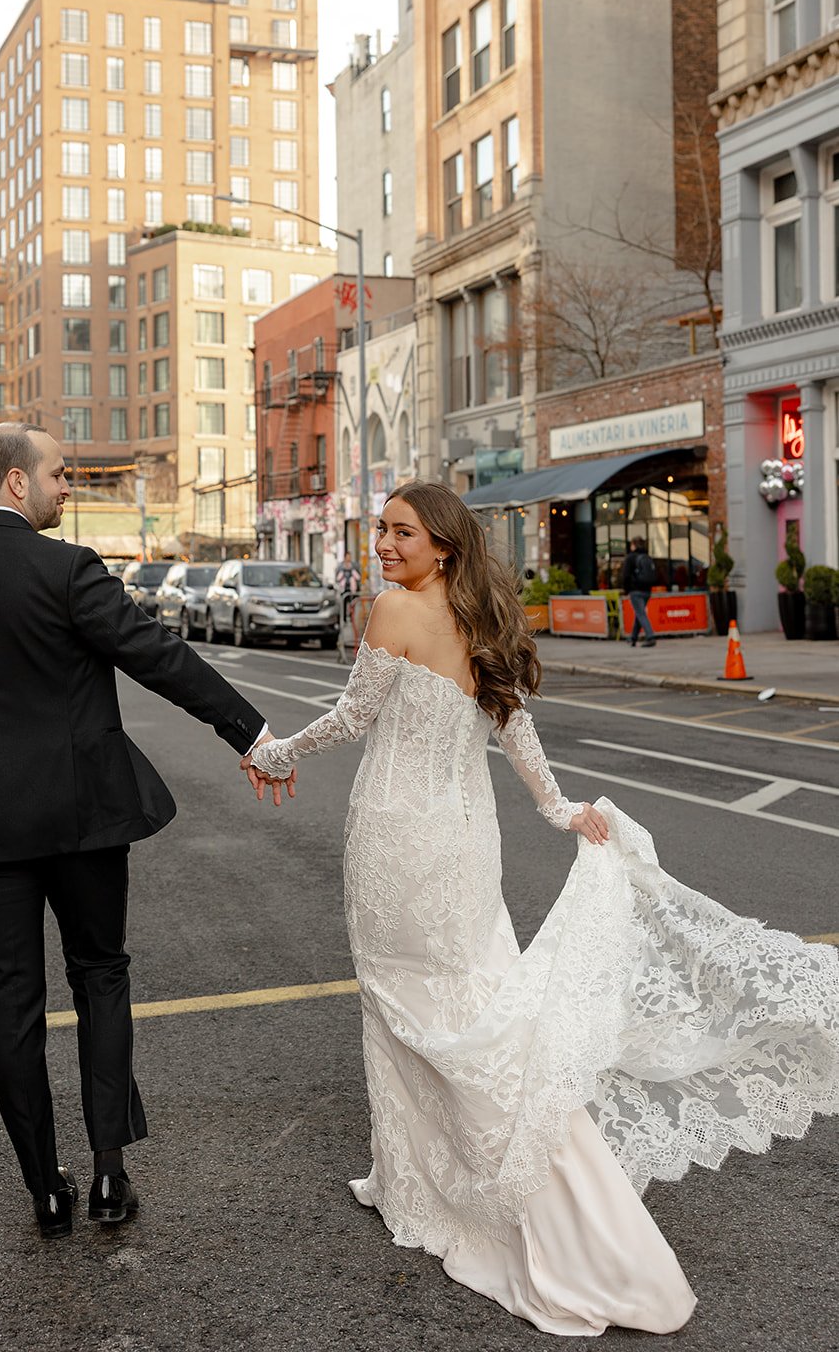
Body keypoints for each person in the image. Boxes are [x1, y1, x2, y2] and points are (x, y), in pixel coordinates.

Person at [246, 480, 839, 1336]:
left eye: (401, 532)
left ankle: (481, 1192)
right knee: (473, 1003)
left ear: (442, 545)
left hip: (396, 836)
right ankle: (412, 1176)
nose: (383, 544)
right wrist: (558, 809)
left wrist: (273, 754)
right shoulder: (481, 617)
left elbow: (351, 717)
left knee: (404, 1000)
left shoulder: (392, 610)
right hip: (466, 843)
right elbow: (513, 726)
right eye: (380, 530)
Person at [0, 423, 287, 1239]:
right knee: (101, 975)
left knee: (9, 1003)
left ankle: (44, 1189)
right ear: (16, 482)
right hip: (86, 820)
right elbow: (156, 656)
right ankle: (107, 1175)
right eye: (60, 475)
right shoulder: (66, 568)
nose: (69, 487)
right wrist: (248, 734)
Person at [620, 535, 657, 647]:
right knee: (639, 613)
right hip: (647, 590)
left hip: (635, 590)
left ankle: (650, 636)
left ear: (633, 545)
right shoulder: (646, 557)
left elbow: (626, 575)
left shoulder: (630, 557)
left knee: (640, 613)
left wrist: (626, 589)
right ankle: (633, 637)